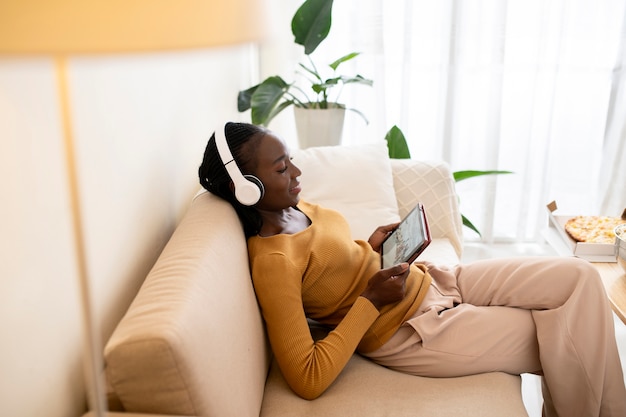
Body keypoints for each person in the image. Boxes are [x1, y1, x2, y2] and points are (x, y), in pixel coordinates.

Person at [199, 122, 626, 417]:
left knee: (581, 279)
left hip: (438, 279)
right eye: (280, 168)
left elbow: (327, 267)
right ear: (247, 189)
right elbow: (307, 377)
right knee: (571, 331)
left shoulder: (292, 207)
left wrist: (369, 248)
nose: (296, 172)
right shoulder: (273, 261)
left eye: (289, 160)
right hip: (414, 331)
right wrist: (369, 300)